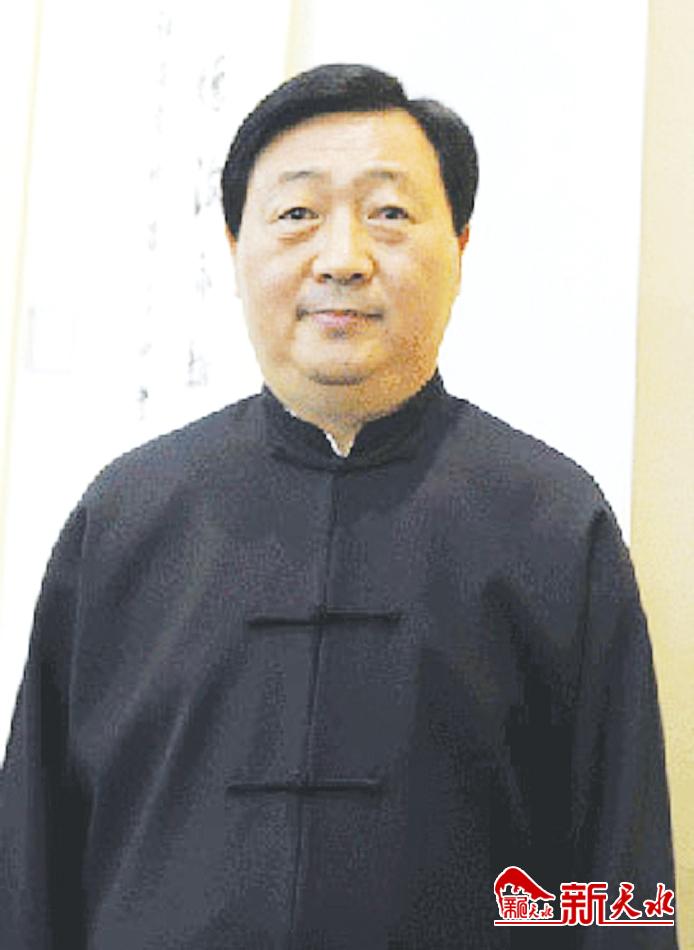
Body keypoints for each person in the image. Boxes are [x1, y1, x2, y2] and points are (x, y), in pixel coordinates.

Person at [0, 64, 677, 949]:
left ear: (461, 248)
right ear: (235, 248)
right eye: (297, 214)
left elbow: (620, 877)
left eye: (389, 213)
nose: (343, 257)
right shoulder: (123, 520)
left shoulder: (552, 522)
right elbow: (30, 865)